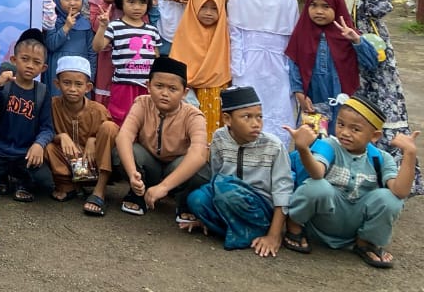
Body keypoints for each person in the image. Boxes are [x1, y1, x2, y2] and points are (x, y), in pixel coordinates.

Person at [318, 0, 419, 192]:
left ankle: (390, 174)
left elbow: (379, 8)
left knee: (382, 104)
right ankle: (345, 169)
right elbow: (319, 4)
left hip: (375, 51)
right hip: (340, 51)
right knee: (347, 105)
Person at [285, 94, 417, 268]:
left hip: (353, 226)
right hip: (321, 221)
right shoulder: (329, 145)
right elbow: (317, 173)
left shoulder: (380, 158)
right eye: (340, 124)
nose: (345, 132)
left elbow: (400, 192)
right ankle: (294, 227)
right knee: (317, 186)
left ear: (375, 136)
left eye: (355, 129)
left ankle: (366, 242)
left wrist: (410, 154)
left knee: (390, 199)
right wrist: (303, 148)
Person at [181, 86, 292, 255]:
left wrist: (274, 235)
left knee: (225, 188)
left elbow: (283, 191)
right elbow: (216, 176)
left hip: (259, 207)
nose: (256, 124)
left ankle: (252, 232)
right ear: (227, 119)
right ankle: (230, 228)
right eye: (247, 117)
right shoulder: (219, 137)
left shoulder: (273, 146)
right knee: (197, 199)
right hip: (226, 196)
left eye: (259, 117)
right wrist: (205, 218)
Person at [115, 55, 210, 216]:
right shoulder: (142, 103)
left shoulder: (194, 115)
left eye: (173, 89)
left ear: (184, 92)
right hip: (149, 167)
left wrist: (164, 187)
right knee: (119, 152)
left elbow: (199, 153)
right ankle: (138, 192)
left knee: (201, 167)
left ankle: (184, 201)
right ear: (148, 86)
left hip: (176, 171)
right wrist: (132, 174)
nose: (164, 93)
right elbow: (124, 136)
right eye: (159, 86)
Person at [229, 0, 298, 145]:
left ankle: (279, 154)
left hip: (279, 63)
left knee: (279, 107)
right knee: (249, 107)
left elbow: (293, 39)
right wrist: (237, 67)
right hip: (249, 63)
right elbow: (235, 34)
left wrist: (290, 69)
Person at [286, 0, 380, 126]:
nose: (319, 11)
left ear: (337, 7)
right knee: (314, 139)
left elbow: (371, 63)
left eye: (326, 6)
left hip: (344, 97)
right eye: (313, 5)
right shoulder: (302, 34)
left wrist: (356, 40)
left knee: (342, 136)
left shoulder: (347, 34)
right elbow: (294, 65)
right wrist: (299, 92)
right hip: (313, 97)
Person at [0, 29, 54, 201]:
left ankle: (21, 181)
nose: (29, 65)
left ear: (43, 68)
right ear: (14, 60)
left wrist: (39, 144)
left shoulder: (42, 92)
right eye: (24, 59)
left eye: (36, 62)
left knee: (46, 183)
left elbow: (47, 127)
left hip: (24, 154)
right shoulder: (4, 86)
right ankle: (3, 177)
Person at [46, 56, 118, 215]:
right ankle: (69, 187)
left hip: (95, 164)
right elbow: (43, 130)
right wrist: (61, 137)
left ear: (88, 87)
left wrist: (93, 139)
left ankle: (99, 191)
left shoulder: (98, 109)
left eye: (78, 84)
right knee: (49, 146)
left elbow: (112, 134)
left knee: (109, 127)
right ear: (57, 84)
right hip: (69, 164)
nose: (72, 89)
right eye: (66, 83)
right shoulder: (52, 105)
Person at [93, 0, 160, 124]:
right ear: (120, 2)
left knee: (147, 121)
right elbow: (97, 47)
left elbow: (156, 57)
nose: (137, 7)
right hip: (123, 85)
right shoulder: (115, 26)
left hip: (146, 87)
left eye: (142, 3)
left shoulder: (152, 30)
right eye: (131, 2)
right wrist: (103, 27)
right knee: (120, 120)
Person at [170, 0, 232, 134]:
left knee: (211, 133)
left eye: (214, 8)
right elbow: (176, 66)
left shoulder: (223, 33)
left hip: (215, 90)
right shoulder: (185, 32)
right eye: (203, 7)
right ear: (193, 6)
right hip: (186, 89)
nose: (208, 13)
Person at [86, 0, 129, 112]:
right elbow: (96, 26)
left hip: (127, 53)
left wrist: (120, 2)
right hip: (106, 53)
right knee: (106, 86)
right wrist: (105, 4)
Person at [45, 0, 96, 87]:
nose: (72, 3)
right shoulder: (52, 20)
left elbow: (92, 53)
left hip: (81, 73)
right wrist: (66, 28)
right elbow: (51, 44)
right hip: (57, 71)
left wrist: (90, 78)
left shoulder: (86, 24)